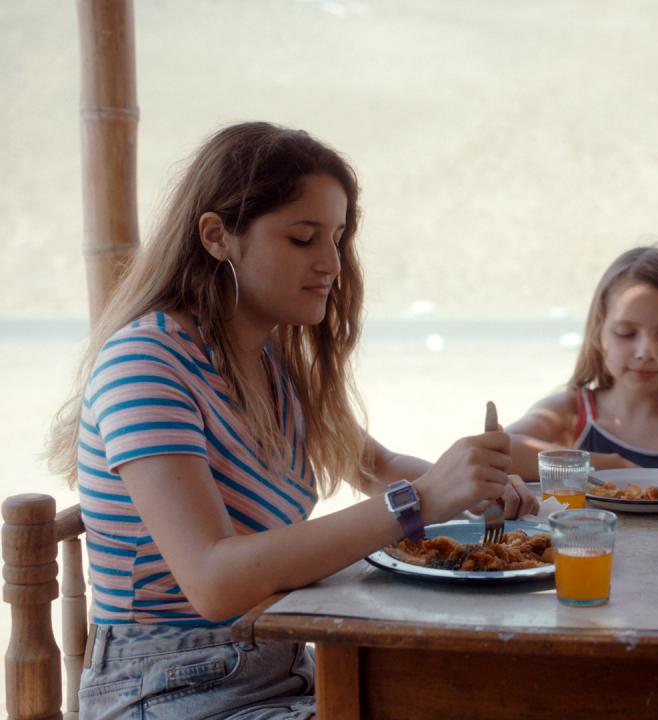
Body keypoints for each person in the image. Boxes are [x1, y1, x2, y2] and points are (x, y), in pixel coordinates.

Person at [47, 122, 536, 719]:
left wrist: (472, 489)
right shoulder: (145, 364)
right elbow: (212, 580)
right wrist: (420, 501)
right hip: (167, 691)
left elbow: (375, 466)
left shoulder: (271, 361)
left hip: (281, 669)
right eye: (304, 238)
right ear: (217, 236)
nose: (331, 263)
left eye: (337, 238)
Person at [506, 245, 658, 484]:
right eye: (625, 333)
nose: (645, 352)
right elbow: (496, 451)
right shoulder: (570, 413)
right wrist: (605, 465)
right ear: (599, 334)